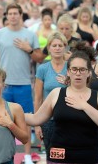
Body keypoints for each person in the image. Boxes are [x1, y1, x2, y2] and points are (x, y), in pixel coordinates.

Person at [25, 46, 98, 164]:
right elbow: (36, 118)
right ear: (68, 71)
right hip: (58, 156)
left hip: (88, 157)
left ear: (89, 72)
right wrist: (10, 112)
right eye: (74, 69)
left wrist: (85, 106)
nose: (78, 73)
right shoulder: (56, 93)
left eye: (82, 69)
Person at [0, 3, 44, 164]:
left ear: (20, 15)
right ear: (6, 15)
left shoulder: (30, 34)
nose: (13, 16)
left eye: (15, 13)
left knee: (25, 120)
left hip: (24, 83)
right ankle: (7, 154)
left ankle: (26, 155)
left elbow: (39, 58)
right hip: (3, 85)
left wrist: (29, 49)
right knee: (3, 120)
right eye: (10, 13)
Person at [34, 32, 68, 162]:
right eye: (54, 45)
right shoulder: (43, 69)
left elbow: (82, 91)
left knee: (69, 155)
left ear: (65, 47)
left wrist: (69, 82)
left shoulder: (71, 67)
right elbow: (38, 98)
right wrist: (37, 124)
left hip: (69, 119)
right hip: (49, 120)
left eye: (60, 45)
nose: (57, 48)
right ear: (49, 48)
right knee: (53, 156)